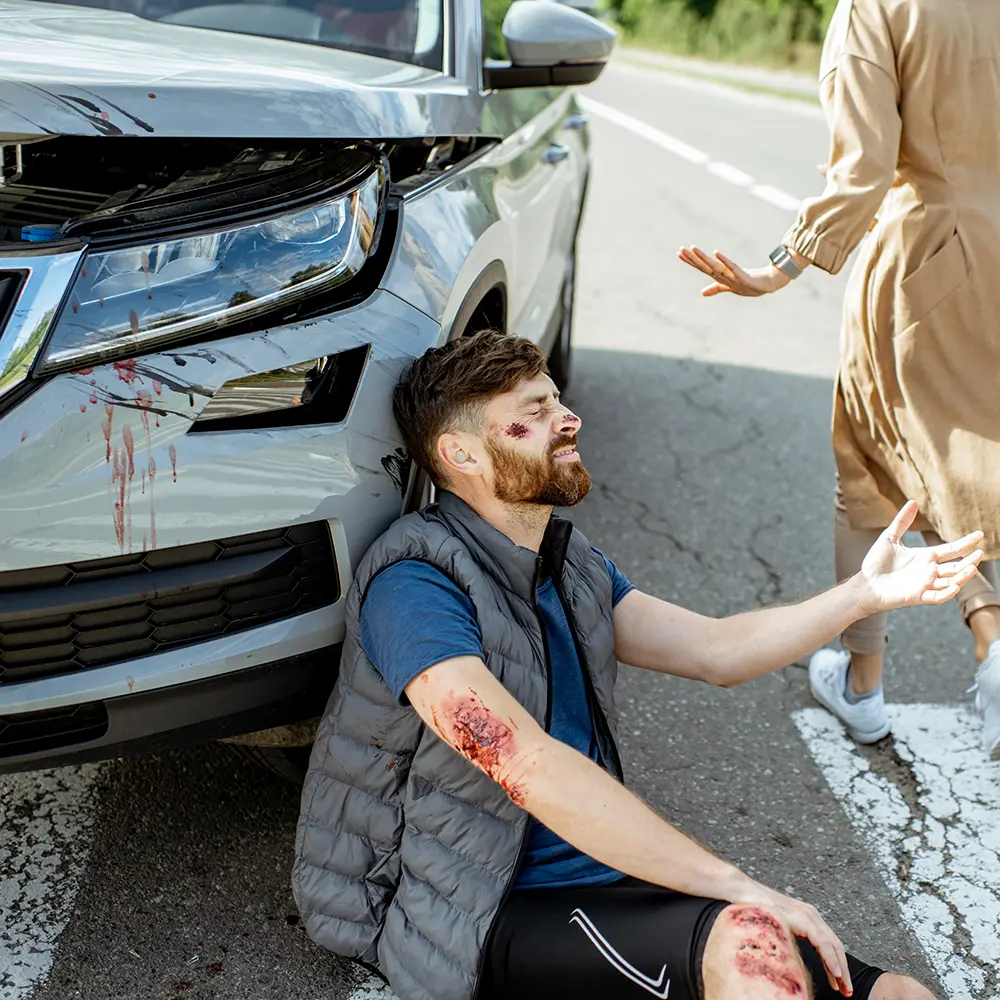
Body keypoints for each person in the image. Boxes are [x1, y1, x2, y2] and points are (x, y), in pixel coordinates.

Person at [293, 330, 983, 1000]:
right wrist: (741, 887)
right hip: (481, 905)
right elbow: (523, 761)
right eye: (536, 411)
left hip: (606, 867)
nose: (569, 419)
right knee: (755, 950)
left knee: (898, 992)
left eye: (557, 401)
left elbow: (715, 650)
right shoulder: (414, 583)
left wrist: (862, 594)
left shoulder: (568, 563)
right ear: (461, 454)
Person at [677, 0, 1000, 760]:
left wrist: (778, 267)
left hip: (928, 252)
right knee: (966, 455)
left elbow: (864, 170)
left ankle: (881, 679)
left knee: (875, 463)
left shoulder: (877, 8)